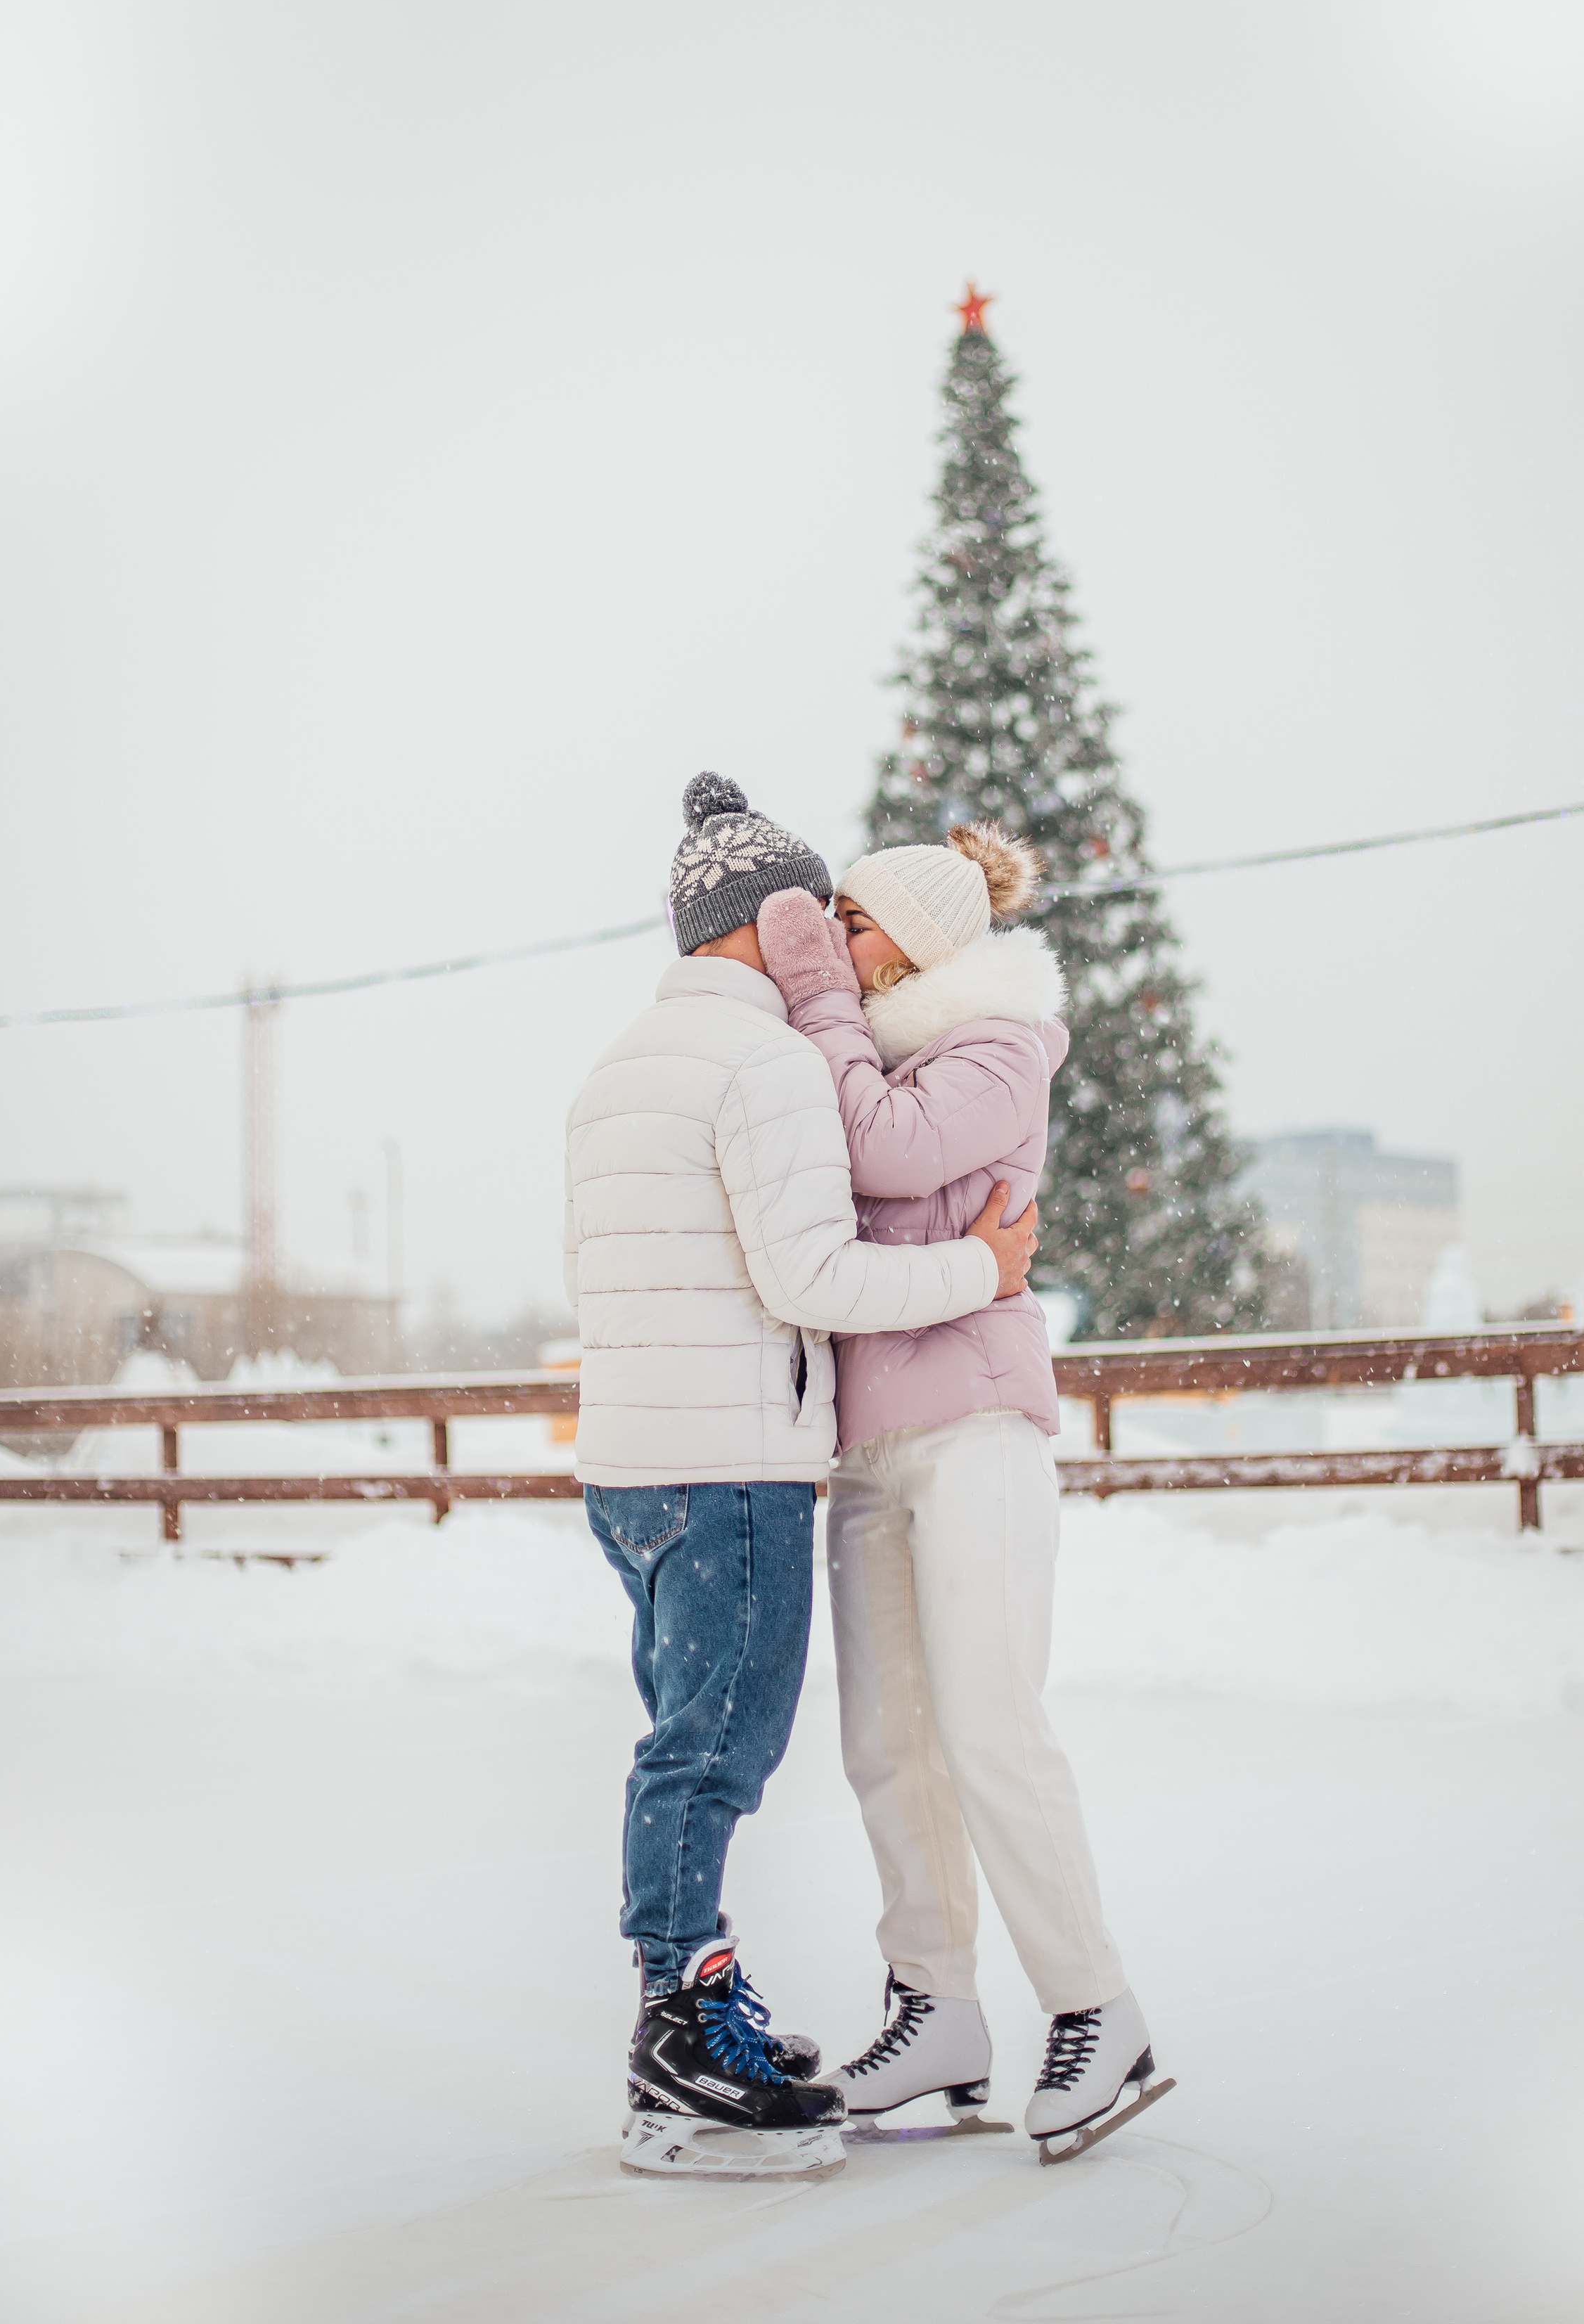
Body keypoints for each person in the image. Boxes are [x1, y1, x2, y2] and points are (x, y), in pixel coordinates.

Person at [565, 772, 1040, 2181]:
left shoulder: (617, 1072)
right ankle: (677, 2028)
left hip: (634, 1472)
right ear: (773, 922)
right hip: (732, 1474)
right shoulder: (764, 1067)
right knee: (710, 1755)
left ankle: (691, 1991)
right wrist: (983, 1271)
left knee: (682, 1741)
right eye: (813, 916)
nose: (826, 943)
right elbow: (807, 1273)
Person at [755, 823, 1164, 2160]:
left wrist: (819, 1003)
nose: (837, 949)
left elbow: (878, 1151)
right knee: (890, 1747)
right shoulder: (862, 1053)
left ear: (915, 940)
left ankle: (1098, 2006)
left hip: (977, 1427)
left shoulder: (997, 1047)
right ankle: (935, 2009)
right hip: (870, 1446)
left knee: (990, 1723)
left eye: (854, 927)